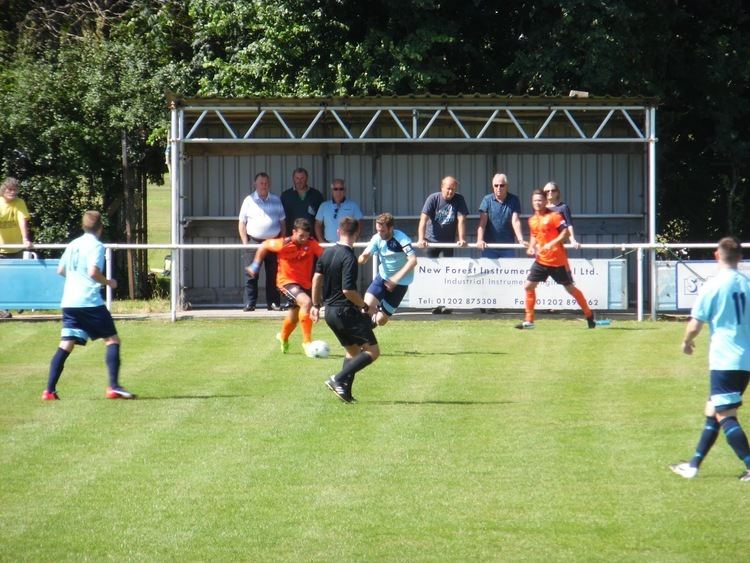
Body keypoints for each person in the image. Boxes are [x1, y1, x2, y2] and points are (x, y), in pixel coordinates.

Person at [670, 237, 750, 482]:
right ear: (740, 258)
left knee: (726, 415)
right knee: (713, 409)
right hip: (745, 359)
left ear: (717, 256)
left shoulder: (713, 286)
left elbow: (695, 324)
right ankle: (693, 465)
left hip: (725, 360)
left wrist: (686, 341)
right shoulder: (747, 284)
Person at [42, 211, 135, 400]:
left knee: (66, 344)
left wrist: (76, 280)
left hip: (69, 301)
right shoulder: (96, 246)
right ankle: (114, 387)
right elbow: (93, 272)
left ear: (83, 226)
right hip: (88, 302)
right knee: (112, 340)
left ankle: (49, 391)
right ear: (100, 228)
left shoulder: (73, 244)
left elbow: (60, 270)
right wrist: (109, 282)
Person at [311, 216, 379, 403]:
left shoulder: (327, 253)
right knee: (373, 351)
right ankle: (337, 379)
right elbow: (348, 290)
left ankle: (344, 392)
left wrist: (316, 305)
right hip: (344, 311)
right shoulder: (349, 257)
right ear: (356, 233)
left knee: (352, 350)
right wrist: (364, 306)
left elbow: (316, 279)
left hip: (330, 312)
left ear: (338, 231)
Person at [515, 189, 595, 330]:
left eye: (540, 200)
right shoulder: (532, 220)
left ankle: (589, 314)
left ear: (546, 201)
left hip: (558, 261)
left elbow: (564, 232)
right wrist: (531, 247)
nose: (537, 203)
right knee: (528, 286)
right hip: (541, 260)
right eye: (535, 201)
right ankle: (529, 321)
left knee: (570, 289)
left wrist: (552, 243)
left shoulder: (554, 216)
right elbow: (534, 235)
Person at [247, 218, 323, 356]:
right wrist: (255, 265)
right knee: (306, 302)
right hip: (286, 282)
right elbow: (264, 246)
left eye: (306, 236)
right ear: (293, 232)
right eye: (301, 236)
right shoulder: (283, 244)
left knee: (294, 317)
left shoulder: (311, 244)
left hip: (305, 284)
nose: (303, 239)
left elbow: (324, 256)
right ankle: (307, 343)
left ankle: (283, 336)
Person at [416, 175, 469, 314]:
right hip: (431, 241)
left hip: (448, 242)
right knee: (432, 274)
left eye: (453, 189)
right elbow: (423, 220)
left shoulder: (459, 199)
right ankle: (435, 302)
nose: (450, 192)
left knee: (448, 274)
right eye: (448, 189)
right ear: (442, 187)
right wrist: (421, 239)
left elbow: (461, 219)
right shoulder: (433, 198)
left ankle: (447, 302)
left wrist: (462, 238)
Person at [358, 212, 418, 327]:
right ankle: (364, 341)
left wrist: (395, 279)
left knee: (381, 321)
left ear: (391, 228)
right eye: (378, 230)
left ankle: (378, 315)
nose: (380, 234)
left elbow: (413, 261)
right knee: (366, 308)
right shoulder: (376, 238)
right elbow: (362, 259)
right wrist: (363, 258)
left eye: (383, 231)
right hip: (383, 278)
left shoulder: (402, 239)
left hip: (400, 283)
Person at [238, 172, 286, 311]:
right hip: (254, 242)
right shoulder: (248, 200)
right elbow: (241, 223)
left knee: (273, 274)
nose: (264, 186)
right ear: (255, 184)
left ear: (269, 184)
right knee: (251, 275)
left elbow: (283, 222)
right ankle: (249, 303)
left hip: (272, 242)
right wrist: (245, 242)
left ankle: (273, 303)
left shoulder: (276, 200)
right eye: (261, 183)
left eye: (266, 183)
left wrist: (281, 241)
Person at [0, 177, 33, 319]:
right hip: (1, 250)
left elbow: (21, 220)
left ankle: (21, 303)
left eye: (15, 190)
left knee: (20, 277)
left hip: (17, 248)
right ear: (3, 190)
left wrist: (25, 239)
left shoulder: (19, 203)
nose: (12, 193)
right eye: (10, 190)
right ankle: (3, 310)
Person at [476, 173, 525, 259]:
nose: (498, 188)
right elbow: (482, 223)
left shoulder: (514, 200)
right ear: (493, 186)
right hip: (489, 247)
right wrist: (480, 239)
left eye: (502, 185)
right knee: (488, 272)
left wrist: (520, 239)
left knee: (509, 271)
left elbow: (515, 221)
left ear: (507, 186)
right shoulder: (487, 200)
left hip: (508, 247)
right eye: (496, 185)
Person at [314, 178, 364, 243]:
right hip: (328, 245)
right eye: (335, 189)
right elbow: (317, 224)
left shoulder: (353, 205)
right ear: (332, 190)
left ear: (345, 190)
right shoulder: (324, 206)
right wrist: (321, 241)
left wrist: (354, 238)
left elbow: (360, 222)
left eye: (341, 189)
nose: (338, 192)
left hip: (346, 245)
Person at [280, 167, 324, 237]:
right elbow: (282, 219)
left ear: (307, 178)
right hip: (291, 237)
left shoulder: (316, 195)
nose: (299, 181)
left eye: (302, 178)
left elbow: (321, 219)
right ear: (293, 179)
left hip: (311, 237)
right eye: (297, 178)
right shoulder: (285, 195)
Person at [544, 181, 580, 249]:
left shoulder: (563, 207)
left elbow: (569, 225)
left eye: (553, 190)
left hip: (559, 242)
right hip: (545, 242)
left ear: (557, 192)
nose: (550, 192)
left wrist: (572, 240)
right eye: (547, 191)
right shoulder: (542, 208)